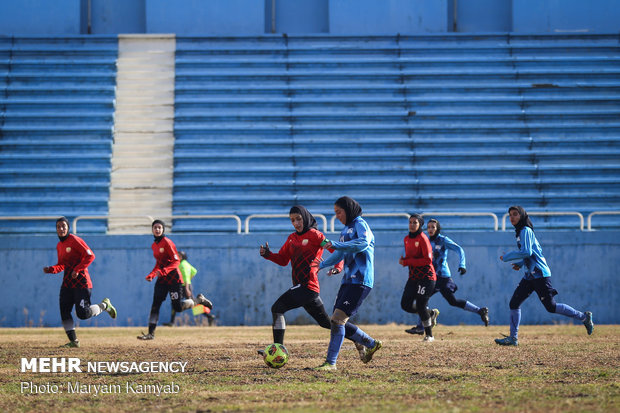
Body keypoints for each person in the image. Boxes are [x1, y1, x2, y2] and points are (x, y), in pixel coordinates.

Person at [495, 206, 594, 346]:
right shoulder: (521, 232)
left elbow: (527, 252)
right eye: (510, 215)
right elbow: (534, 253)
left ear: (522, 216)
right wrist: (520, 263)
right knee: (514, 303)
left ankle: (584, 317)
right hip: (530, 275)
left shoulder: (525, 231)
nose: (512, 217)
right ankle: (513, 338)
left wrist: (507, 257)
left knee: (551, 307)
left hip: (540, 274)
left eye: (515, 214)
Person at [312, 196, 382, 371]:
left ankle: (331, 363)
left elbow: (362, 244)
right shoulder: (345, 230)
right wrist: (321, 265)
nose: (337, 216)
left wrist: (333, 244)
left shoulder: (360, 224)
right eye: (335, 213)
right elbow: (340, 254)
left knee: (337, 319)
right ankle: (370, 343)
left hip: (361, 280)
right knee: (336, 320)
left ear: (348, 210)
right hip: (348, 280)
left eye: (339, 212)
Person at [258, 205, 341, 352]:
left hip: (307, 287)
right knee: (327, 323)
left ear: (305, 217)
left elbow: (335, 250)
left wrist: (337, 267)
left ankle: (277, 350)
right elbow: (283, 260)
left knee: (277, 308)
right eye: (292, 220)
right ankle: (362, 339)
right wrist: (268, 255)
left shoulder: (316, 235)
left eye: (299, 219)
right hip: (304, 289)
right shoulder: (292, 239)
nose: (296, 223)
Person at [405, 218, 489, 335]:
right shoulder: (426, 240)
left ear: (437, 228)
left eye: (433, 227)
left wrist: (462, 264)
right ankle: (421, 326)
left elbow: (459, 249)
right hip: (430, 277)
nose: (430, 229)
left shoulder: (443, 240)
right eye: (428, 227)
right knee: (422, 299)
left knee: (452, 301)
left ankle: (480, 311)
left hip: (443, 277)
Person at [43, 217, 117, 347]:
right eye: (58, 227)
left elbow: (90, 255)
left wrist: (77, 269)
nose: (61, 229)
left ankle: (104, 306)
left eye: (63, 226)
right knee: (64, 311)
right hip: (67, 284)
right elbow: (62, 265)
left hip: (82, 283)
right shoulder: (59, 246)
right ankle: (73, 341)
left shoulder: (75, 240)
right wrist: (51, 269)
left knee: (82, 314)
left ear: (68, 228)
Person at [138, 220, 213, 340]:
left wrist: (163, 271)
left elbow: (176, 261)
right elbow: (159, 263)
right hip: (162, 280)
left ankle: (199, 300)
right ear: (152, 229)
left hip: (174, 279)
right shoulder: (154, 245)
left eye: (159, 227)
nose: (157, 230)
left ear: (163, 230)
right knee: (155, 305)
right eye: (155, 227)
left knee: (177, 307)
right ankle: (150, 333)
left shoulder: (167, 242)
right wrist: (152, 274)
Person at [399, 214, 437, 342]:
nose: (412, 224)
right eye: (410, 222)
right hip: (413, 277)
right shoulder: (406, 239)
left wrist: (408, 261)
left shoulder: (423, 238)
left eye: (415, 222)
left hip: (427, 277)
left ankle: (429, 335)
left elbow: (427, 260)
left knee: (421, 304)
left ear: (420, 224)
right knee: (405, 305)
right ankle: (429, 313)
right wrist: (404, 261)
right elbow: (412, 258)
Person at [164, 251, 215, 326]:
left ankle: (172, 322)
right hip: (186, 285)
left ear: (182, 257)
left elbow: (185, 277)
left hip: (183, 286)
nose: (177, 257)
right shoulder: (187, 264)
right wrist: (189, 282)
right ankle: (209, 316)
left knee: (177, 302)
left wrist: (187, 288)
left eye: (179, 255)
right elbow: (194, 271)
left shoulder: (181, 265)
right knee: (192, 303)